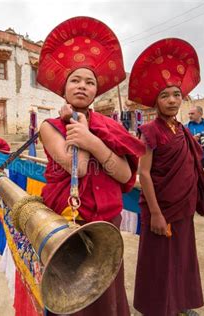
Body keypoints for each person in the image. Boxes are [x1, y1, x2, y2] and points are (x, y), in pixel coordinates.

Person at [37, 17, 146, 316]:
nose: (82, 86)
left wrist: (92, 139)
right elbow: (81, 168)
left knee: (106, 300)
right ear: (64, 87)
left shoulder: (110, 127)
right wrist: (76, 127)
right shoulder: (50, 127)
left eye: (90, 82)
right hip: (67, 226)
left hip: (106, 229)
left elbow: (125, 174)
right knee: (72, 299)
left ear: (97, 91)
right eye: (75, 80)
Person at [129, 38, 204, 316]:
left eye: (176, 95)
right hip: (160, 207)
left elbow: (194, 164)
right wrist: (156, 214)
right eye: (164, 96)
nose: (171, 100)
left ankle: (179, 302)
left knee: (182, 256)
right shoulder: (149, 130)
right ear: (156, 101)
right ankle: (157, 307)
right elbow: (143, 174)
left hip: (183, 206)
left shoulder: (182, 130)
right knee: (158, 259)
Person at [185, 105, 204, 170]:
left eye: (192, 114)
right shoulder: (185, 127)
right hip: (192, 157)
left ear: (200, 114)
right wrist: (192, 139)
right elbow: (182, 142)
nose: (190, 116)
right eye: (189, 114)